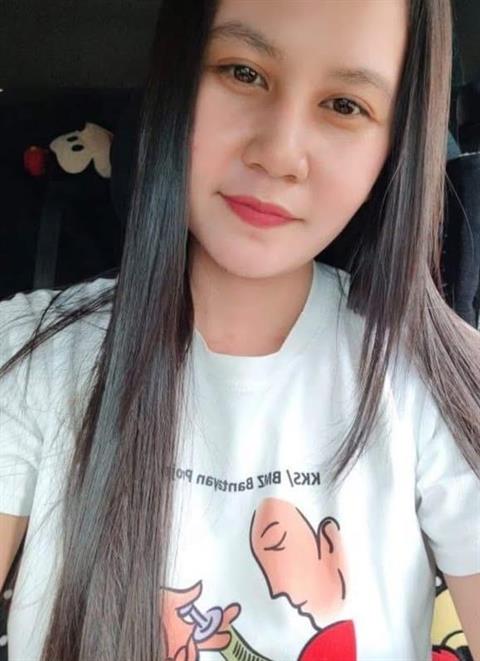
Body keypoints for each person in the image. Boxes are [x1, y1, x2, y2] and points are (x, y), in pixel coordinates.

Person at [0, 1, 479, 660]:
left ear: (393, 149)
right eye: (243, 72)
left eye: (345, 105)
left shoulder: (441, 382)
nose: (279, 154)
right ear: (175, 84)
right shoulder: (32, 355)